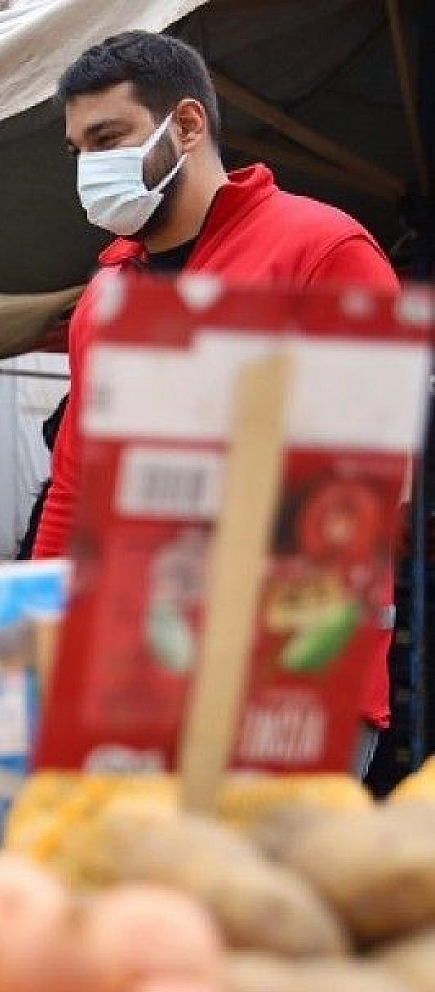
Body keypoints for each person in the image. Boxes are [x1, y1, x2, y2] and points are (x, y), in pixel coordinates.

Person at [31, 30, 402, 776]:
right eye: (78, 149)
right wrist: (38, 640)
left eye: (108, 137)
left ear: (188, 125)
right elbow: (76, 486)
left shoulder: (324, 251)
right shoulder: (104, 295)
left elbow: (372, 489)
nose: (91, 166)